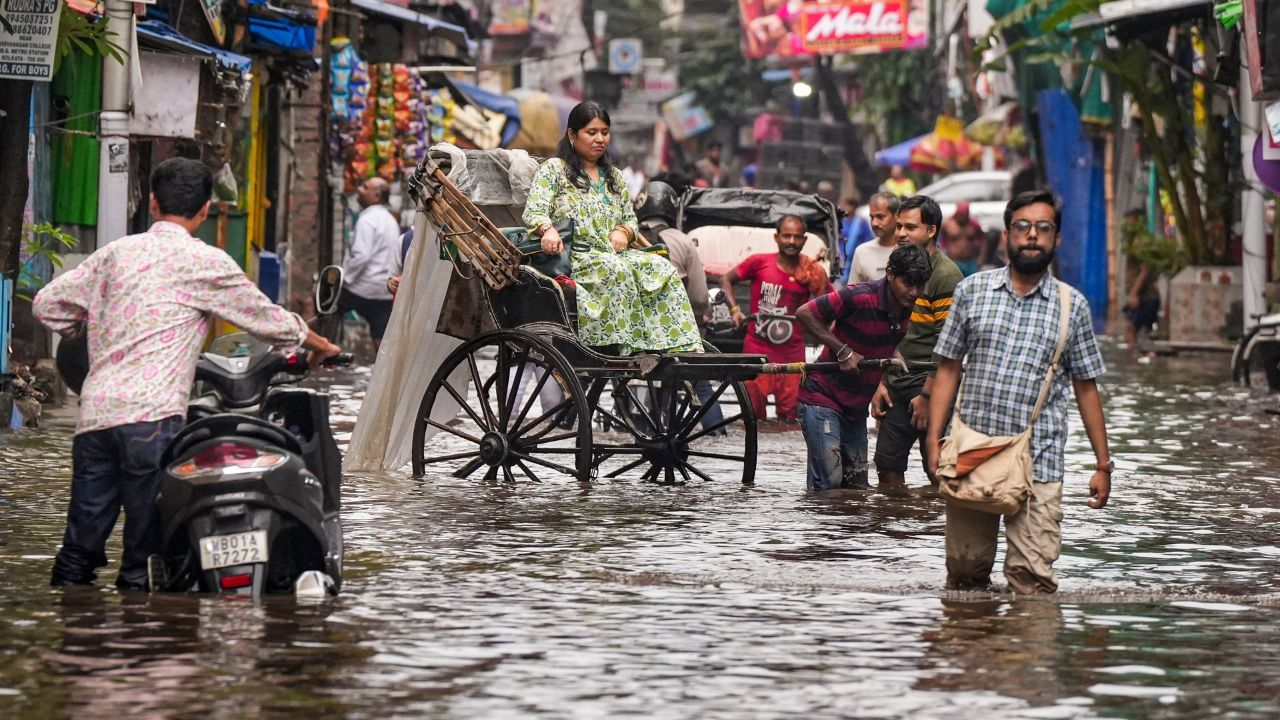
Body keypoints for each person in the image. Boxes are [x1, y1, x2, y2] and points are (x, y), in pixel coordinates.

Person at [31, 157, 342, 591]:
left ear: (153, 203)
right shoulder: (204, 261)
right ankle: (143, 640)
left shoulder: (115, 254)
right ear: (204, 210)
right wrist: (322, 346)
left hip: (96, 419)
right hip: (150, 420)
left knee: (79, 550)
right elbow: (265, 318)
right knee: (145, 558)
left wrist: (91, 324)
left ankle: (75, 637)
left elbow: (47, 304)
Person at [925, 190, 1112, 594]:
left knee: (1033, 582)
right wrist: (932, 438)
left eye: (1043, 229)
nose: (1032, 236)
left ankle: (1027, 653)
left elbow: (1086, 387)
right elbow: (948, 367)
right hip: (972, 451)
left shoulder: (1072, 307)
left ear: (1055, 239)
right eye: (1023, 227)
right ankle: (973, 648)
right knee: (965, 576)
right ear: (1007, 234)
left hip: (1039, 460)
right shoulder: (972, 291)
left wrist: (1102, 465)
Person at [524, 101, 701, 355]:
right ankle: (629, 347)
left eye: (604, 133)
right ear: (573, 135)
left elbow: (630, 220)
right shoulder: (554, 170)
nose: (599, 139)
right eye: (591, 132)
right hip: (579, 258)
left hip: (616, 255)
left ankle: (676, 343)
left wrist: (624, 232)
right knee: (616, 270)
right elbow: (535, 208)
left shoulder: (615, 177)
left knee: (662, 268)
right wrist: (546, 229)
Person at [794, 245, 932, 490]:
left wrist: (894, 361)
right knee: (829, 482)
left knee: (857, 486)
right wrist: (842, 350)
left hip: (855, 408)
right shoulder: (857, 296)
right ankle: (818, 529)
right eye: (908, 283)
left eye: (919, 285)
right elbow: (805, 313)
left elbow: (886, 341)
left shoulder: (907, 306)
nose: (914, 292)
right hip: (822, 397)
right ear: (890, 273)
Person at [869, 195, 963, 491]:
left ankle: (932, 534)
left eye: (910, 227)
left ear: (931, 231)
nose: (900, 234)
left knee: (937, 469)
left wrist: (927, 397)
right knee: (887, 466)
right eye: (898, 227)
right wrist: (879, 381)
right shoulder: (897, 266)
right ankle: (897, 532)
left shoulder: (946, 275)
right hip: (896, 379)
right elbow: (884, 329)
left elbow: (948, 346)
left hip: (929, 381)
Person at [722, 215, 830, 426]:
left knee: (791, 420)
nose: (791, 241)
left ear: (804, 240)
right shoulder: (759, 262)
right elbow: (726, 279)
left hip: (792, 356)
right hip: (757, 351)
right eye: (786, 236)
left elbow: (827, 304)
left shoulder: (812, 271)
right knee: (752, 419)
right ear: (777, 237)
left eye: (796, 237)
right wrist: (734, 311)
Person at [341, 176, 402, 353]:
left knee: (325, 306)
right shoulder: (389, 220)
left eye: (365, 187)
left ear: (375, 197)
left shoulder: (367, 220)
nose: (359, 189)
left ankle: (324, 351)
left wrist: (346, 279)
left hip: (362, 287)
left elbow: (361, 256)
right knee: (380, 339)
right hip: (382, 290)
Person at [1121, 209, 1160, 362]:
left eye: (1128, 220)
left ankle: (1136, 360)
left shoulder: (1140, 242)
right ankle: (1139, 358)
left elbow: (1145, 270)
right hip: (1146, 296)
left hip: (1145, 296)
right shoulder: (1139, 241)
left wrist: (1134, 294)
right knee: (1136, 331)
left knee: (1130, 329)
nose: (1125, 225)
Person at [847, 193, 898, 284]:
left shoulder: (910, 249)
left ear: (896, 216)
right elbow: (853, 295)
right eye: (871, 217)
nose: (874, 223)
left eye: (880, 217)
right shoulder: (862, 252)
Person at [837, 197, 875, 286]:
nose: (843, 207)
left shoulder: (861, 222)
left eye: (846, 205)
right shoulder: (841, 221)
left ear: (853, 207)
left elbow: (868, 239)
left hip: (857, 259)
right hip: (842, 260)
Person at [941, 201, 983, 277]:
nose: (962, 217)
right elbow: (937, 238)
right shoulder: (948, 224)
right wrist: (943, 251)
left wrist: (981, 257)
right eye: (961, 214)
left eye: (964, 215)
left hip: (970, 262)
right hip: (954, 261)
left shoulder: (973, 224)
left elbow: (983, 239)